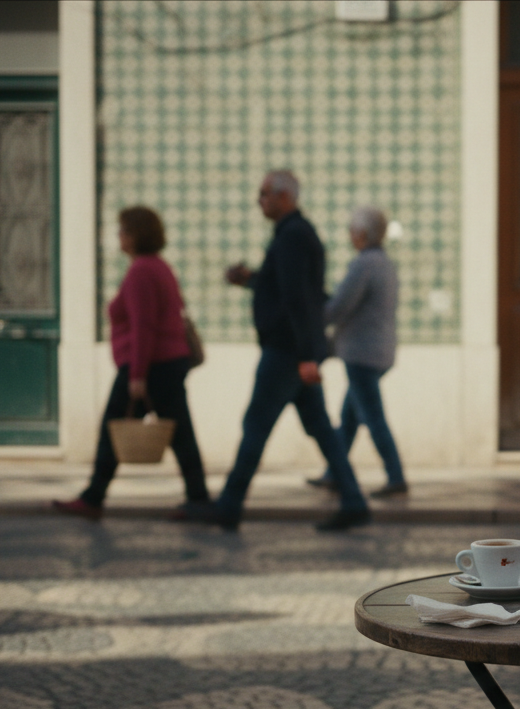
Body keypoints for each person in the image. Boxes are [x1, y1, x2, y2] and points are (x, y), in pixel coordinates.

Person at [173, 170, 369, 533]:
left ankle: (229, 506)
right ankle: (354, 500)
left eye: (264, 194)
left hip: (286, 354)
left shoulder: (293, 236)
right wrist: (250, 279)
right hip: (297, 352)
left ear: (284, 197)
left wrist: (308, 356)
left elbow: (299, 299)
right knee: (322, 430)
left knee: (256, 426)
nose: (258, 200)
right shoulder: (294, 234)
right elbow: (285, 289)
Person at [53, 206, 209, 521]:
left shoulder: (140, 271)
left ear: (136, 234)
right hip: (168, 361)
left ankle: (94, 497)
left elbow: (143, 326)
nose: (119, 236)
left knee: (114, 428)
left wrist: (137, 374)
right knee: (181, 433)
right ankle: (199, 499)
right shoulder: (160, 267)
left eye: (123, 230)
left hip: (150, 365)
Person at [306, 206, 407, 498]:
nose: (350, 236)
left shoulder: (364, 265)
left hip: (362, 354)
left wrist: (312, 317)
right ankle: (334, 472)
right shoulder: (384, 263)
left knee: (372, 417)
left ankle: (395, 476)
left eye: (352, 230)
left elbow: (339, 307)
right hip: (378, 351)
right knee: (350, 417)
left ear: (361, 234)